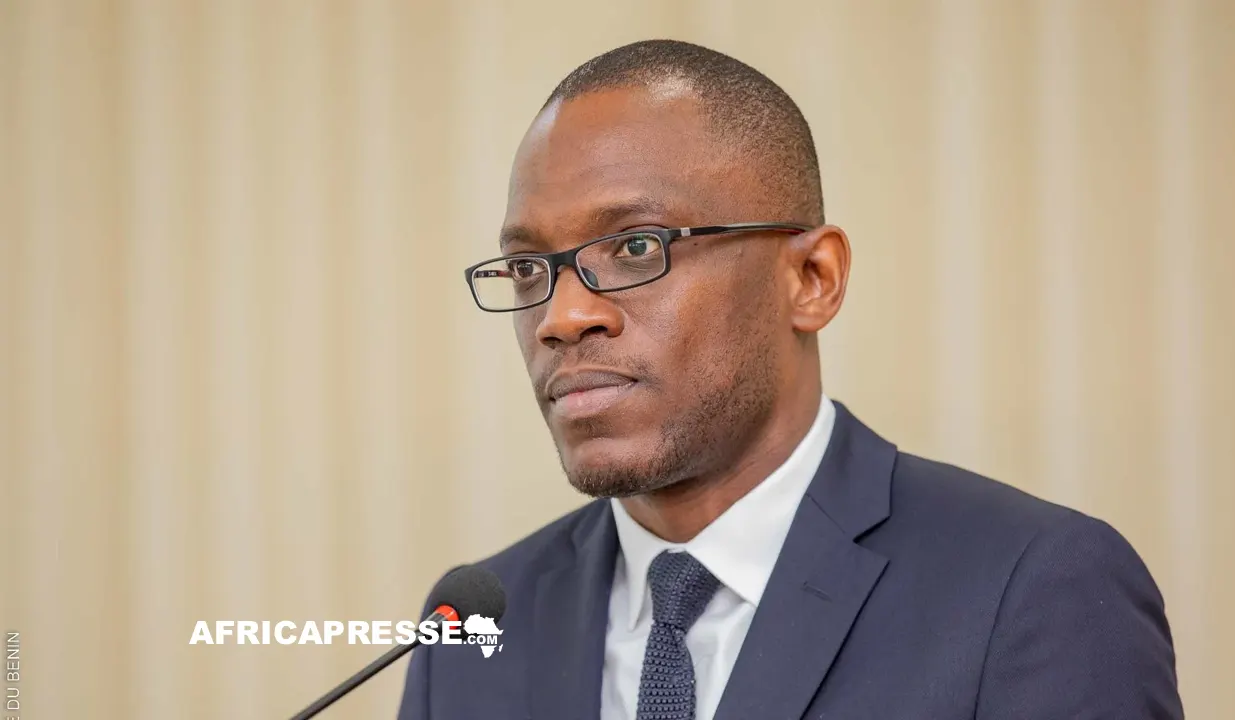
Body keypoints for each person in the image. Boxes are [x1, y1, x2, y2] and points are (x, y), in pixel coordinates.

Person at [397, 39, 1182, 720]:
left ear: (812, 278)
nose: (562, 317)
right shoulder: (473, 626)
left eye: (636, 248)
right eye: (528, 267)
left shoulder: (1032, 588)